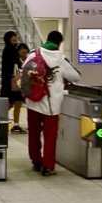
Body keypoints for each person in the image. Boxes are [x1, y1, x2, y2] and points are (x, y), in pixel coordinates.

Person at [23, 30, 80, 176]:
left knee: (34, 133)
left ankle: (36, 161)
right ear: (59, 43)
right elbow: (76, 76)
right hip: (51, 105)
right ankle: (48, 166)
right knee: (50, 136)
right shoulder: (61, 59)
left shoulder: (33, 54)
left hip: (33, 101)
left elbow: (24, 72)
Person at [0, 31, 25, 133]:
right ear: (8, 39)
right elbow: (13, 67)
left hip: (10, 82)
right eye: (12, 37)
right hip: (13, 82)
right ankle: (15, 125)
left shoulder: (9, 50)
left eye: (15, 36)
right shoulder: (10, 51)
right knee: (16, 103)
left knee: (11, 103)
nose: (14, 38)